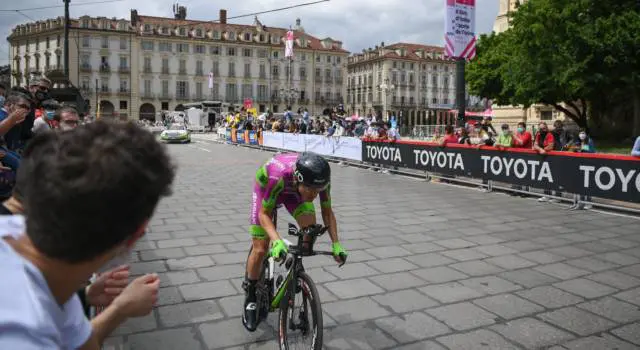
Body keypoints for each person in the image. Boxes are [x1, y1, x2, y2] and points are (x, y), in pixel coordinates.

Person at [0, 120, 175, 349]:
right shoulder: (24, 337)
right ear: (135, 236)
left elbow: (81, 343)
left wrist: (92, 296)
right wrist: (119, 310)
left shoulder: (26, 243)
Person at [243, 152, 347, 332]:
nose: (315, 195)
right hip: (267, 189)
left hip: (295, 193)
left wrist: (336, 243)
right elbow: (264, 214)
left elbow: (327, 212)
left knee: (310, 229)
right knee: (261, 248)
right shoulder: (278, 175)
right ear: (299, 179)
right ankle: (251, 294)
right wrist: (275, 240)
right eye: (312, 190)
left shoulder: (319, 181)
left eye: (318, 190)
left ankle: (295, 270)